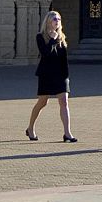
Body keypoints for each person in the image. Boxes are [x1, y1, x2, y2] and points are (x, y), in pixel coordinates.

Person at [25, 11, 74, 143]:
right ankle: (30, 128)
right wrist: (52, 39)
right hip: (46, 74)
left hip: (60, 74)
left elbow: (64, 58)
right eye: (54, 19)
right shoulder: (40, 37)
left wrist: (66, 76)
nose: (57, 21)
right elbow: (45, 53)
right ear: (48, 21)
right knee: (42, 102)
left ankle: (67, 133)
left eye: (58, 19)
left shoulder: (62, 37)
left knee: (64, 102)